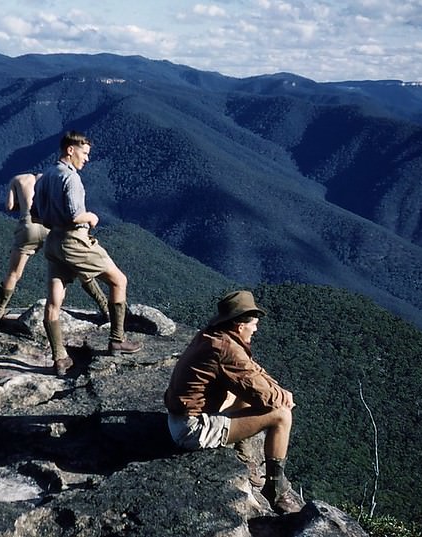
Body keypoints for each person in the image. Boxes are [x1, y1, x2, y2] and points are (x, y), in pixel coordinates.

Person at [163, 290, 304, 514]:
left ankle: (242, 456)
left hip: (181, 418)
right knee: (281, 415)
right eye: (254, 324)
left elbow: (252, 371)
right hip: (191, 430)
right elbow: (265, 396)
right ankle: (276, 490)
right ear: (240, 326)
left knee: (242, 391)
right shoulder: (226, 349)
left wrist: (277, 389)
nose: (256, 329)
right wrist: (283, 398)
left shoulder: (215, 336)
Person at [31, 130, 142, 376]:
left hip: (53, 242)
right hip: (75, 241)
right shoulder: (71, 179)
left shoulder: (44, 176)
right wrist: (91, 217)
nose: (87, 158)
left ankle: (59, 358)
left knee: (54, 302)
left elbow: (34, 214)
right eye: (84, 153)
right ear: (70, 150)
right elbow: (75, 215)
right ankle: (116, 339)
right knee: (119, 280)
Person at [0, 172, 109, 325]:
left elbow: (9, 206)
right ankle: (105, 308)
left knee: (14, 273)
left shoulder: (17, 179)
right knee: (79, 266)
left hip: (28, 226)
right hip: (50, 224)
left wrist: (23, 203)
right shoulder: (47, 179)